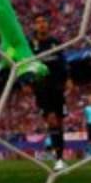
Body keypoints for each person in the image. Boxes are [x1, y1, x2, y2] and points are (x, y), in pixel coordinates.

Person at [29, 15, 72, 170]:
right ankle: (58, 159)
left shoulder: (55, 42)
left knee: (59, 122)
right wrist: (25, 82)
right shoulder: (31, 45)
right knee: (52, 120)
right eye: (38, 22)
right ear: (35, 26)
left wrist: (68, 78)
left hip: (57, 88)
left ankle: (59, 157)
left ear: (48, 25)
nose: (41, 25)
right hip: (41, 89)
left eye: (44, 21)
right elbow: (25, 64)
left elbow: (63, 61)